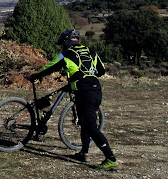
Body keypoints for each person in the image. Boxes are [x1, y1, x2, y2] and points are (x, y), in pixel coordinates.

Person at [27, 29, 121, 171]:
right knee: (84, 122)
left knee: (91, 127)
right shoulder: (91, 52)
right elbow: (101, 71)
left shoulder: (66, 54)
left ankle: (111, 158)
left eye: (62, 43)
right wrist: (87, 74)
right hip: (96, 91)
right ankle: (84, 153)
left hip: (84, 93)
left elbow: (49, 67)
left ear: (66, 41)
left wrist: (35, 76)